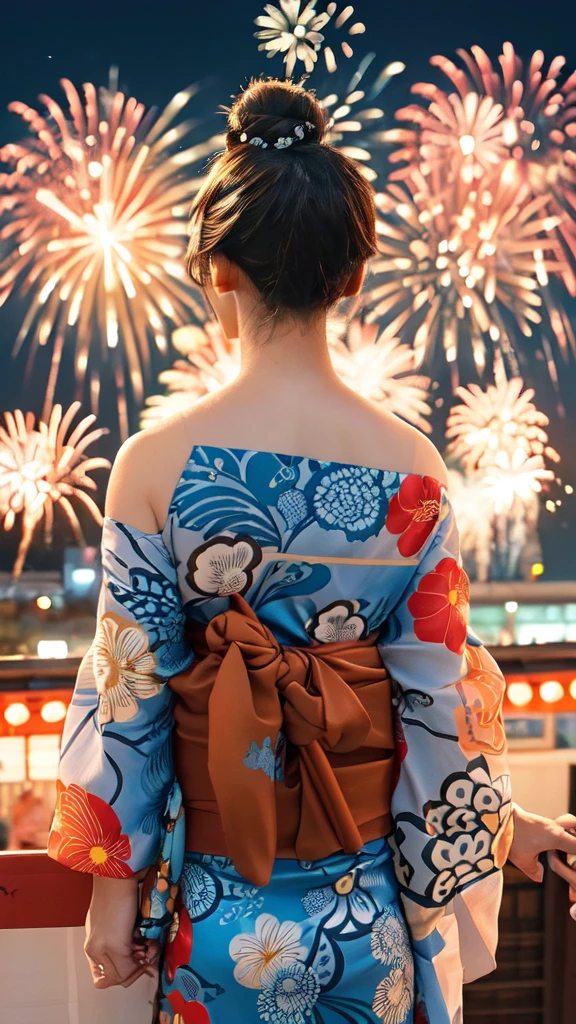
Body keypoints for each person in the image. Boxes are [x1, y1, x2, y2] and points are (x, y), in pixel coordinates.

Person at [48, 78, 576, 1024]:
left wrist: (112, 893)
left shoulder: (153, 468)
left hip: (215, 909)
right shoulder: (413, 472)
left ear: (218, 268)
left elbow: (130, 698)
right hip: (366, 911)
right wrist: (492, 827)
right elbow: (438, 697)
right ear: (352, 275)